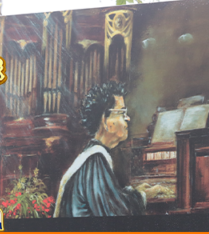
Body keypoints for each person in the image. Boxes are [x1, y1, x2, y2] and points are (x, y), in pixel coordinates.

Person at [54, 81, 146, 218]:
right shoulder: (95, 160)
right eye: (122, 112)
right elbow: (115, 214)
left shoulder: (92, 156)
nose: (128, 118)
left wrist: (135, 193)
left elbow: (110, 198)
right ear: (105, 121)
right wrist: (142, 196)